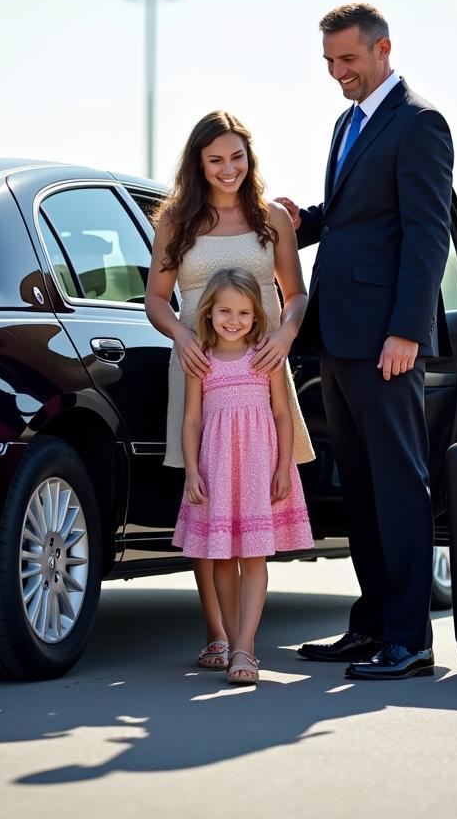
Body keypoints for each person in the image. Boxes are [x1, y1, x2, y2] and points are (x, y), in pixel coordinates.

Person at [278, 2, 453, 680]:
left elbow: (425, 233)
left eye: (347, 60)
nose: (338, 74)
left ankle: (410, 640)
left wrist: (406, 330)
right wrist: (303, 221)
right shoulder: (347, 122)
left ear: (384, 49)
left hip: (386, 338)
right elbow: (356, 218)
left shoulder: (419, 122)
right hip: (339, 334)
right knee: (360, 491)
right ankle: (373, 624)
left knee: (398, 486)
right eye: (329, 63)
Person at [145, 110, 315, 673]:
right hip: (198, 367)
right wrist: (180, 336)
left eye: (236, 157)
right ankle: (217, 635)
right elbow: (156, 300)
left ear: (250, 158)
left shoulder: (272, 220)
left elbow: (294, 294)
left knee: (249, 501)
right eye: (215, 159)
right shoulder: (175, 220)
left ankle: (241, 640)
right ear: (198, 162)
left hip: (263, 364)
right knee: (206, 503)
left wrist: (286, 335)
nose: (227, 169)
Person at [172, 268, 314, 683]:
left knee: (253, 556)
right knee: (221, 556)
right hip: (217, 468)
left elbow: (283, 415)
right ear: (209, 312)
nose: (233, 320)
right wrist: (191, 472)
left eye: (244, 313)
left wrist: (283, 467)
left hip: (258, 467)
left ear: (256, 317)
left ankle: (245, 648)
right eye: (224, 311)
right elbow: (192, 421)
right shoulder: (201, 359)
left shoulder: (264, 357)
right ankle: (233, 641)